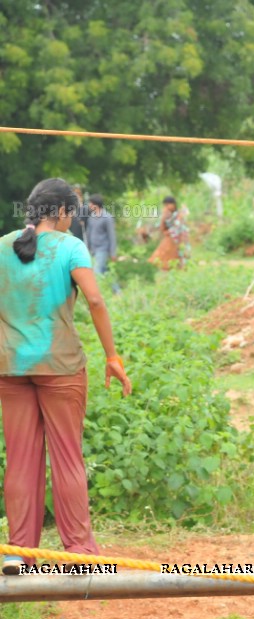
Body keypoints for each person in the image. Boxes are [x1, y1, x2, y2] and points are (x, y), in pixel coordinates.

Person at [0, 178, 132, 576]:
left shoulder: (4, 245)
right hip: (61, 368)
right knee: (68, 457)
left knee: (20, 460)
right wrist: (112, 356)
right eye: (70, 213)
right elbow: (94, 298)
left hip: (10, 367)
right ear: (59, 212)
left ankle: (16, 554)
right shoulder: (71, 247)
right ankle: (78, 552)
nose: (72, 220)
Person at [148, 196, 189, 270]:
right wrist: (164, 217)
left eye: (168, 205)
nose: (167, 207)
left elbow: (178, 225)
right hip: (169, 238)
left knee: (180, 258)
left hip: (179, 238)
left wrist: (170, 231)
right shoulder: (166, 214)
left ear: (174, 204)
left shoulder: (179, 214)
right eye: (165, 205)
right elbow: (162, 228)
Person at [84, 194, 117, 275]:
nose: (89, 205)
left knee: (97, 271)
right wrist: (87, 248)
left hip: (102, 249)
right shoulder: (91, 217)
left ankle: (100, 287)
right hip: (93, 249)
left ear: (95, 204)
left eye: (90, 203)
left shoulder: (107, 217)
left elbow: (112, 236)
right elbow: (88, 233)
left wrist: (113, 253)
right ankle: (116, 288)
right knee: (105, 271)